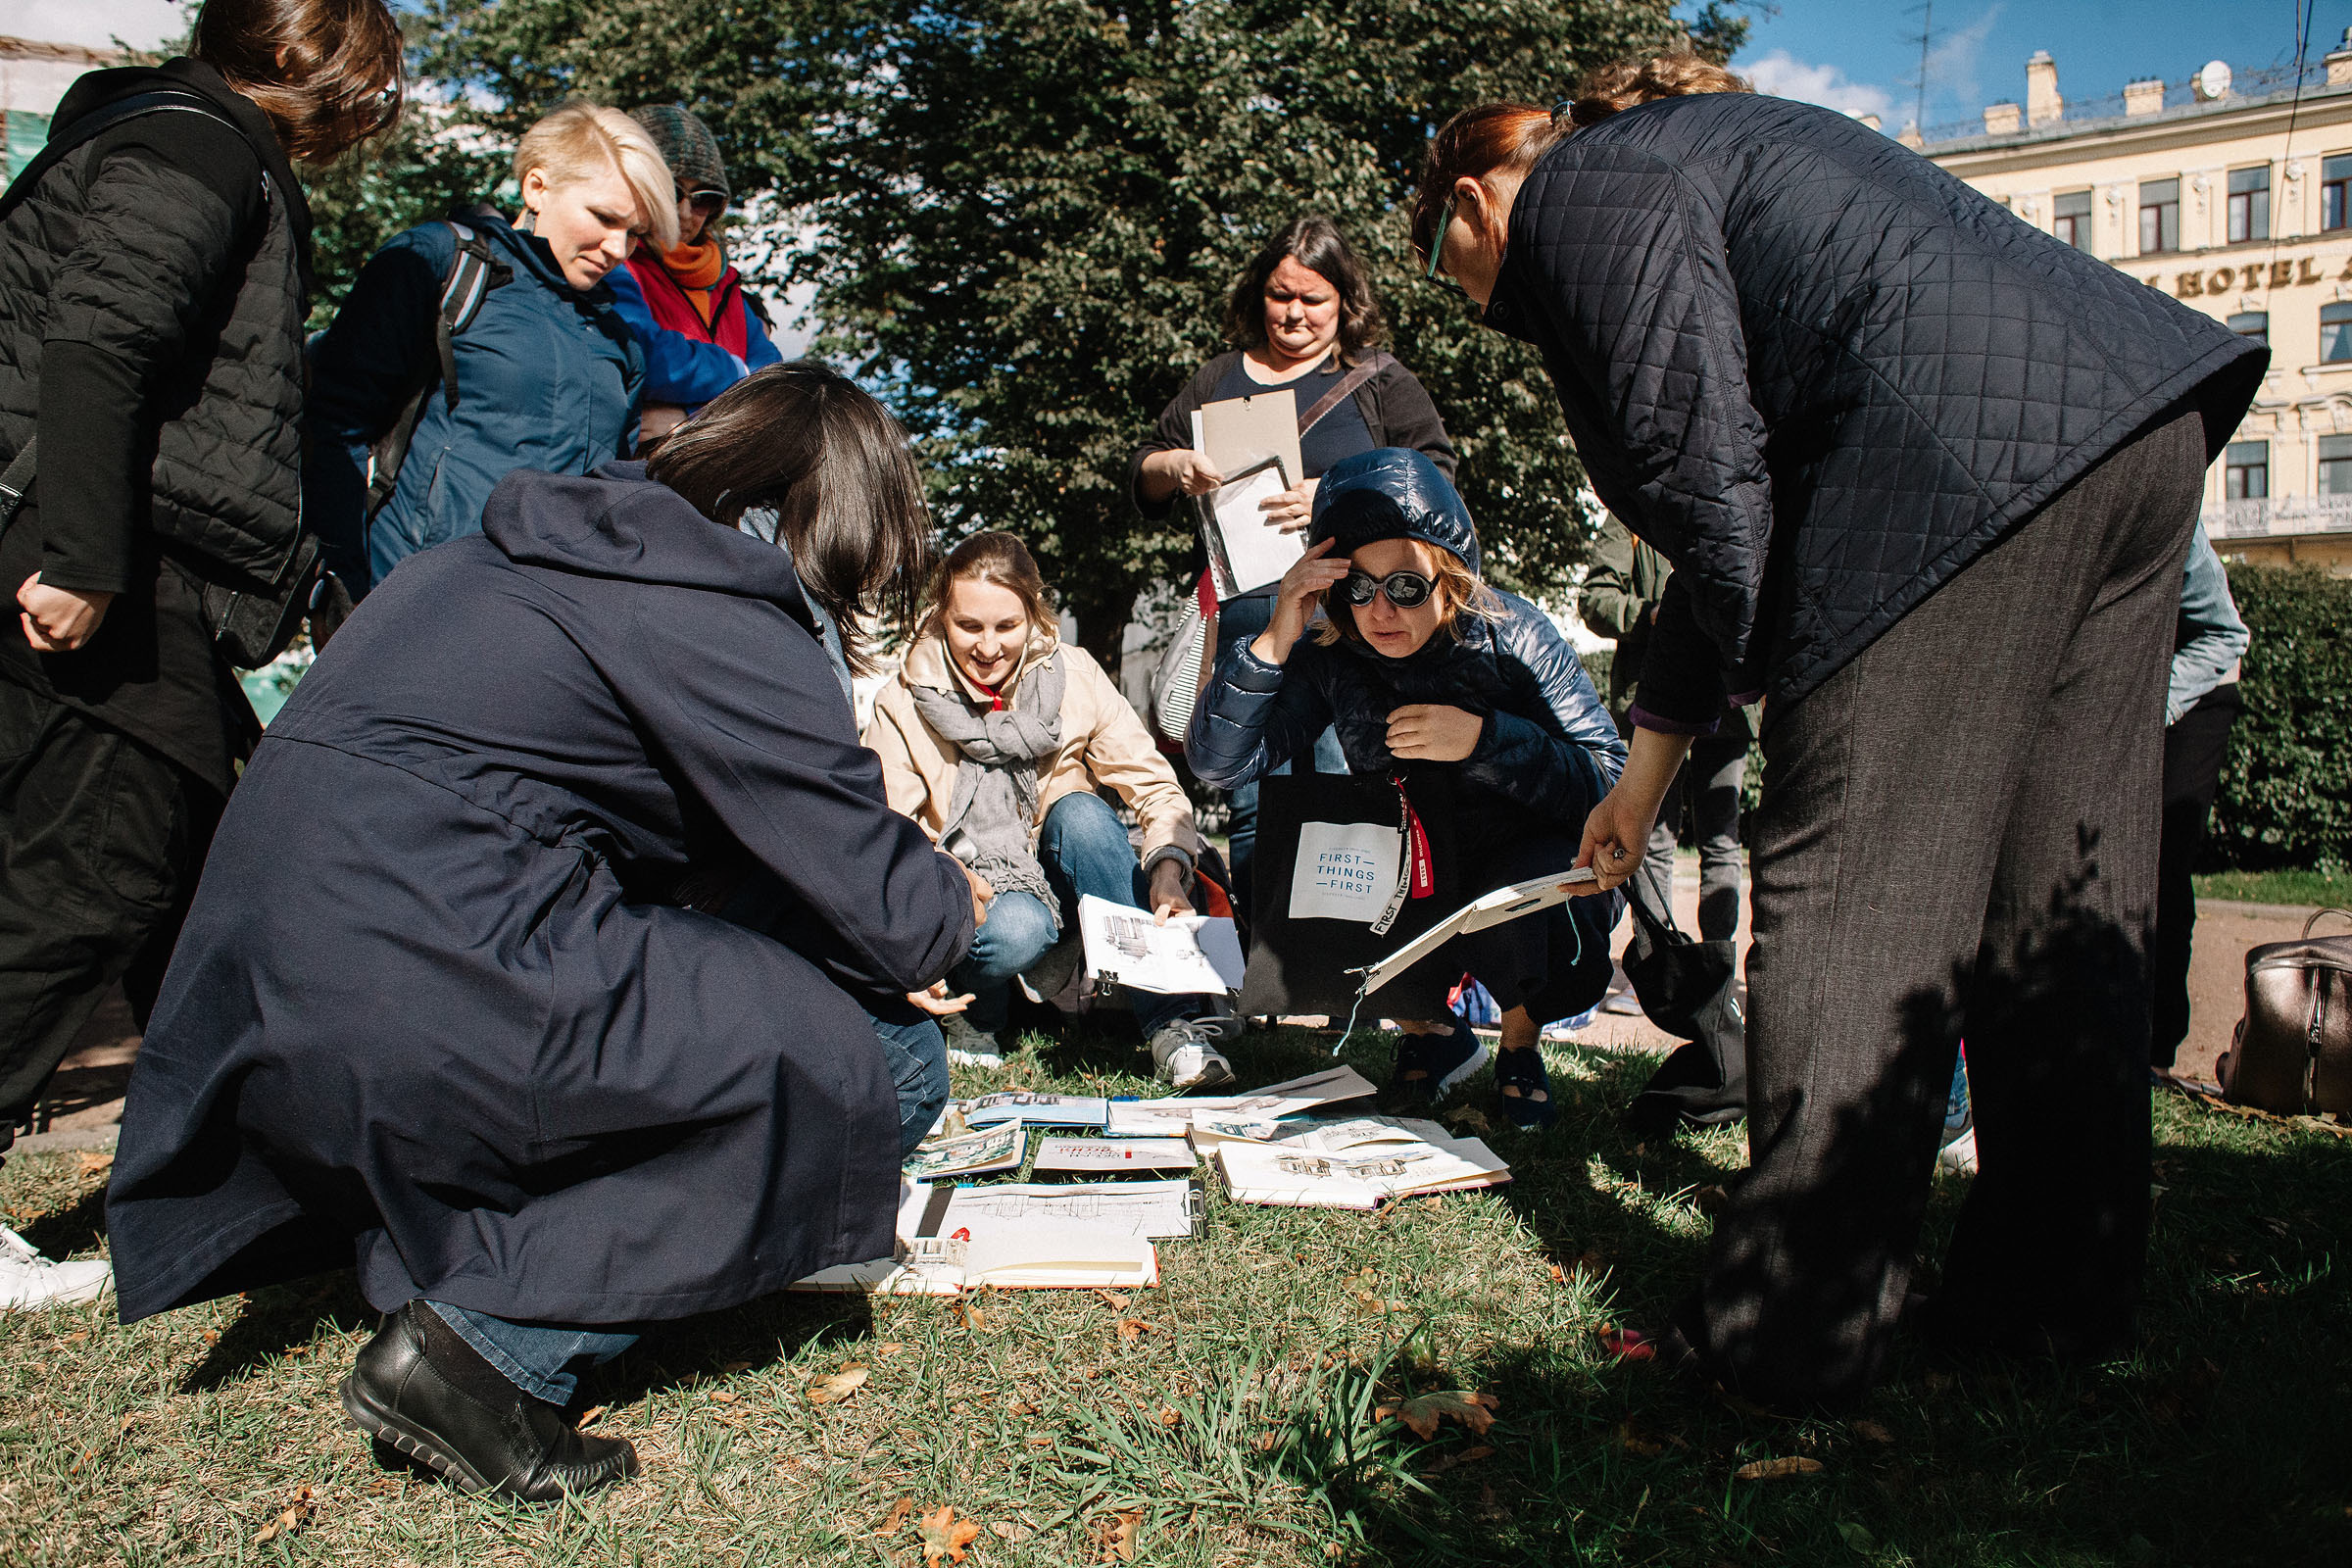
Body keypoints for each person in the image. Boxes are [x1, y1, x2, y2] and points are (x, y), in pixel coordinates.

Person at [1417, 53, 2264, 1405]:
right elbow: (1724, 498)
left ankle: (1793, 1330)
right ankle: (2049, 1304)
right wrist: (1641, 783)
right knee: (2061, 895)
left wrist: (1796, 696)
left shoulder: (1581, 188)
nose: (1485, 314)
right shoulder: (1723, 153)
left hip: (1951, 469)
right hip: (2135, 423)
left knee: (1848, 888)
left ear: (1468, 206)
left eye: (1454, 278)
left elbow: (1698, 479)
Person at [105, 365, 978, 1500]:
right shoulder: (725, 607)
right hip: (418, 993)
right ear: (843, 526)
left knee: (743, 1002)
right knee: (882, 1062)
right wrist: (946, 894)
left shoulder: (497, 558)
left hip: (263, 1017)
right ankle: (478, 1353)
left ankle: (441, 1255)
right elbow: (900, 914)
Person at [0, 0, 404, 1310]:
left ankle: (248, 1199)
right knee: (96, 876)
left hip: (134, 562)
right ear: (329, 78)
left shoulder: (183, 139)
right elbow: (102, 342)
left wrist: (311, 585)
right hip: (96, 566)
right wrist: (82, 557)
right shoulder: (196, 149)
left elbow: (195, 411)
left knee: (195, 884)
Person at [1188, 448, 1626, 1127]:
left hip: (1518, 852)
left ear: (1449, 578)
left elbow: (1610, 777)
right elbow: (1219, 765)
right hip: (1404, 857)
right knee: (1317, 851)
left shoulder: (1516, 634)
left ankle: (1517, 1044)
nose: (1380, 610)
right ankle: (1433, 1033)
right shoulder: (1333, 651)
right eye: (1357, 587)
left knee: (1539, 904)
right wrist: (1278, 634)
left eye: (1405, 586)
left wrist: (1484, 739)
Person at [1129, 217, 1456, 911]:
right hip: (1250, 621)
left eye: (1313, 299)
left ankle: (1337, 961)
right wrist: (1173, 464)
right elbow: (1142, 469)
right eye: (1282, 296)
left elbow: (1436, 472)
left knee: (1343, 783)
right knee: (1252, 795)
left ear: (1345, 301)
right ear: (1261, 294)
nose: (1295, 313)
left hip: (1353, 623)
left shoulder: (1377, 381)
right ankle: (1258, 965)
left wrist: (1336, 492)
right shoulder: (1217, 378)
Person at [863, 532, 1239, 1089]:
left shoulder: (1075, 674)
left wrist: (1167, 872)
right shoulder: (903, 699)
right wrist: (939, 879)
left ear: (1034, 616)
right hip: (974, 893)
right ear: (942, 615)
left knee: (1084, 814)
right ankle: (977, 1016)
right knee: (1019, 928)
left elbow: (1153, 783)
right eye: (969, 626)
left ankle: (1173, 1025)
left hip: (1063, 874)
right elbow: (884, 830)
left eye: (1006, 627)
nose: (988, 648)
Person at [306, 101, 671, 591]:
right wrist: (339, 589)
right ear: (536, 187)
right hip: (413, 610)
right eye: (604, 218)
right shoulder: (442, 263)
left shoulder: (618, 343)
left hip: (547, 631)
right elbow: (334, 425)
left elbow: (611, 500)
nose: (618, 250)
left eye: (634, 234)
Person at [1578, 513, 1752, 945]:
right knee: (1649, 835)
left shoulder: (1736, 506)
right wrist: (1649, 614)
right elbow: (1594, 599)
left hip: (1729, 702)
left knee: (1721, 839)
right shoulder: (1630, 518)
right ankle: (1658, 965)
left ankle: (1716, 965)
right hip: (1652, 698)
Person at [607, 103, 783, 451]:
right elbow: (645, 360)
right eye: (671, 192)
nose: (685, 213)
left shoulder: (728, 287)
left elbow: (775, 394)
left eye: (704, 199)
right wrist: (737, 373)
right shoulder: (613, 263)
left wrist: (687, 418)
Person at [2153, 524, 2250, 1074]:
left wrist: (2147, 708)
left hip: (2201, 687)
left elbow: (2224, 634)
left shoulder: (2178, 521)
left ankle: (2156, 1051)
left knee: (2163, 863)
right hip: (2143, 685)